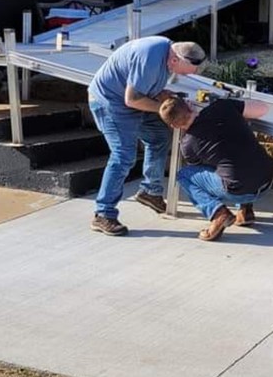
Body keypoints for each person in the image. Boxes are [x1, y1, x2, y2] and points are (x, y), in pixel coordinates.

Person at [87, 38, 206, 236]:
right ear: (176, 60)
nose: (191, 75)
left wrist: (163, 96)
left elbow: (145, 87)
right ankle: (103, 214)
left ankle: (150, 191)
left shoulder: (167, 54)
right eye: (190, 71)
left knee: (158, 137)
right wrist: (165, 110)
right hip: (110, 103)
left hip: (130, 102)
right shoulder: (150, 57)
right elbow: (132, 99)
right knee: (123, 156)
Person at [159, 95, 273, 241]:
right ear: (189, 105)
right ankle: (245, 211)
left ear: (174, 126)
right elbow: (262, 109)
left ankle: (217, 213)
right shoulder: (222, 106)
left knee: (184, 175)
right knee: (237, 157)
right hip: (266, 181)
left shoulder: (188, 145)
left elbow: (203, 171)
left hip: (239, 190)